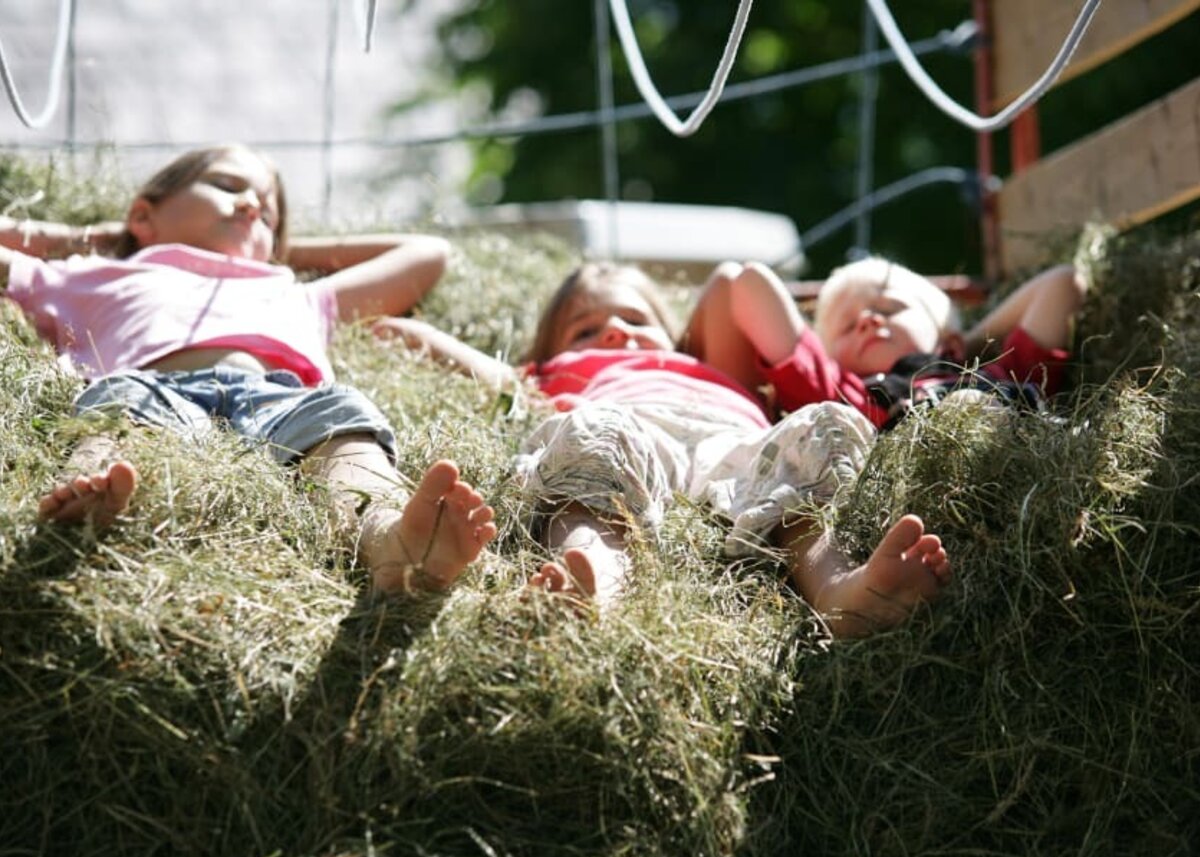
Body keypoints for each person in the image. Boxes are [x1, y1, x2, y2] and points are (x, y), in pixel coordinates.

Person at [0, 143, 496, 594]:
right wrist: (90, 237)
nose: (251, 206)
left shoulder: (295, 292)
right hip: (154, 389)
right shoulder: (95, 275)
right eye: (228, 186)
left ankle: (393, 539)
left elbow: (427, 254)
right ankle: (91, 490)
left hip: (280, 400)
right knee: (118, 409)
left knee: (344, 424)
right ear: (144, 214)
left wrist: (280, 253)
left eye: (269, 215)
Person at [379, 261, 951, 638]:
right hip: (630, 429)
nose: (613, 332)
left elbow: (731, 285)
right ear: (550, 352)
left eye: (635, 318)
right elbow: (441, 349)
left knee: (814, 434)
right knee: (592, 440)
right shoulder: (545, 375)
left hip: (729, 440)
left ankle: (839, 588)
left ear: (675, 332)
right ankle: (592, 582)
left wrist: (684, 338)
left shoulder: (709, 367)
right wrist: (377, 321)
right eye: (585, 329)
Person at [681, 257, 1086, 429]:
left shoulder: (1002, 373)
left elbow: (1063, 285)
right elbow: (751, 284)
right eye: (847, 325)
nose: (869, 319)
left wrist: (967, 342)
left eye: (889, 308)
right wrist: (820, 353)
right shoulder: (846, 398)